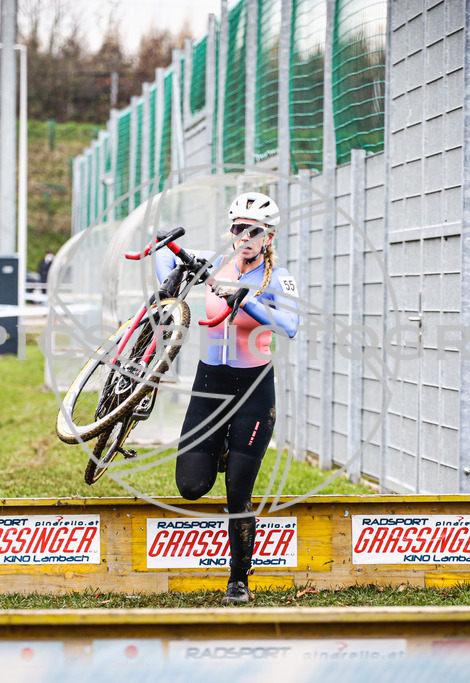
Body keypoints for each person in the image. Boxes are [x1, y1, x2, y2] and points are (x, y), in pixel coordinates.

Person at [156, 191, 299, 605]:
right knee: (192, 487)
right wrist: (171, 277)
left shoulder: (279, 278)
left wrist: (247, 300)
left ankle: (239, 581)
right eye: (240, 229)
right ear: (231, 231)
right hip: (210, 386)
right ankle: (218, 448)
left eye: (256, 231)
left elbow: (289, 325)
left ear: (269, 237)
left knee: (238, 492)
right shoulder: (215, 261)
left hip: (253, 390)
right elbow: (165, 254)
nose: (246, 237)